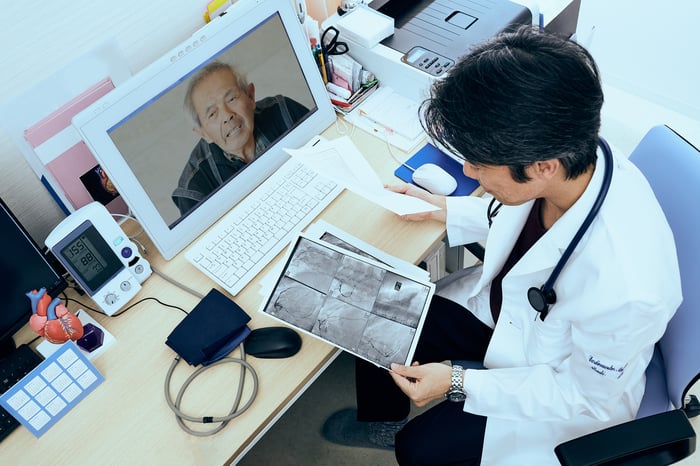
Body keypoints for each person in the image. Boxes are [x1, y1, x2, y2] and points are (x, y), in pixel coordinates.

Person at [321, 26, 682, 465]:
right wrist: (446, 209)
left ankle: (405, 429)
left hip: (559, 386)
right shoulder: (572, 153)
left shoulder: (629, 287)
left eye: (480, 163)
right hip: (504, 315)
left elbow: (585, 397)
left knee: (418, 450)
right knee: (371, 307)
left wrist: (458, 383)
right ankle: (383, 416)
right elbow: (512, 218)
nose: (469, 173)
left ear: (542, 167)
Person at [171, 61, 309, 215]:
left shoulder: (284, 112)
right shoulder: (195, 190)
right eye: (212, 113)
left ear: (250, 96)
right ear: (203, 133)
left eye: (231, 99)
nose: (227, 115)